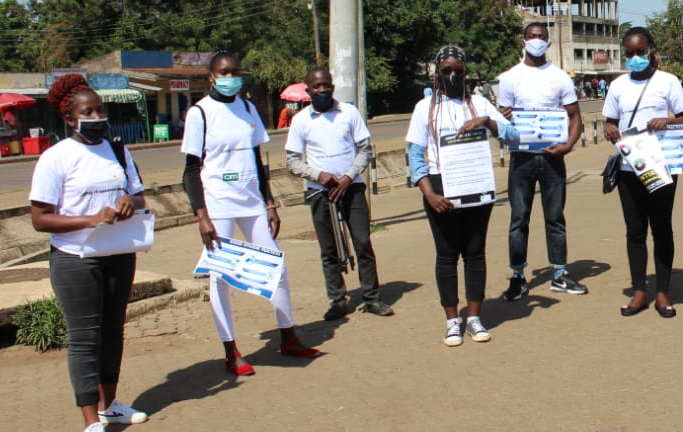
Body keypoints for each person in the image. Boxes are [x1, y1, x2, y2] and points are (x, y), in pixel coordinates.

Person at [29, 73, 148, 432]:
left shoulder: (117, 149)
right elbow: (40, 218)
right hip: (75, 259)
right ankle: (90, 424)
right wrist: (89, 220)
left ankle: (110, 406)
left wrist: (131, 202)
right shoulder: (55, 158)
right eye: (88, 111)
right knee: (85, 339)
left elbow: (140, 196)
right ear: (70, 118)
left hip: (117, 253)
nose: (97, 116)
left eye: (101, 110)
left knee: (114, 330)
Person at [182, 51, 321, 375]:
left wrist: (269, 203)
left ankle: (288, 336)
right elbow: (190, 170)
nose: (231, 77)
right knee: (221, 277)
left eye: (235, 72)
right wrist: (201, 216)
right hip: (218, 204)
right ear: (212, 76)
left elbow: (259, 162)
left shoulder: (247, 109)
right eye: (224, 72)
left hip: (251, 202)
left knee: (276, 263)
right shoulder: (200, 114)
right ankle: (231, 351)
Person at [406, 46, 518, 346]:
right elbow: (415, 155)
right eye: (447, 71)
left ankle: (475, 318)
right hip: (440, 187)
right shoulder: (424, 108)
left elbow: (514, 135)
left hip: (476, 186)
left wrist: (487, 122)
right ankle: (452, 320)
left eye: (459, 71)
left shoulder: (480, 103)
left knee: (475, 252)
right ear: (437, 73)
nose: (453, 76)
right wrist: (429, 194)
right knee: (446, 255)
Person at [285, 67, 393, 321]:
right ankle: (337, 300)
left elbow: (365, 150)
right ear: (308, 90)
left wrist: (347, 177)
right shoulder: (301, 120)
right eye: (317, 87)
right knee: (328, 249)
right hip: (320, 192)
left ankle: (372, 298)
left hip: (351, 188)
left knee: (363, 241)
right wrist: (318, 176)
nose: (322, 90)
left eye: (326, 86)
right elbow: (292, 161)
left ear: (332, 87)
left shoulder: (349, 112)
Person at [602, 27, 683, 318]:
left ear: (651, 49)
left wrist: (667, 121)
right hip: (629, 168)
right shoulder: (617, 86)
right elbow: (609, 123)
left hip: (661, 165)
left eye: (640, 51)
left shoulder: (668, 82)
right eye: (629, 53)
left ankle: (663, 292)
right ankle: (639, 290)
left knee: (662, 228)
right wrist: (610, 129)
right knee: (635, 231)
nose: (635, 57)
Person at [496, 22, 586, 300]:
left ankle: (559, 273)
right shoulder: (510, 78)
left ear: (548, 43)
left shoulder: (559, 77)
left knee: (555, 218)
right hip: (521, 158)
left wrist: (568, 146)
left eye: (542, 37)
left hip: (552, 158)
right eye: (532, 36)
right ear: (523, 41)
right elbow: (500, 121)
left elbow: (574, 116)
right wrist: (505, 117)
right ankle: (518, 276)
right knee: (518, 219)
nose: (537, 40)